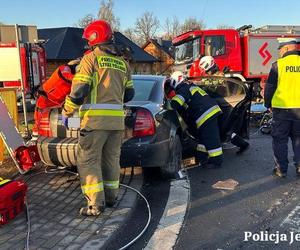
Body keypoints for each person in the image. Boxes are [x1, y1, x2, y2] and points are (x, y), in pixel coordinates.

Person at [62, 20, 135, 215]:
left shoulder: (90, 59)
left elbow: (79, 91)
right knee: (111, 160)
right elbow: (129, 95)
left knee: (88, 161)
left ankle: (94, 205)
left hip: (94, 123)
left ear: (94, 38)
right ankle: (111, 199)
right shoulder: (123, 63)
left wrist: (66, 111)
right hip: (116, 123)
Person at [165, 71, 223, 168]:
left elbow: (177, 103)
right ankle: (202, 158)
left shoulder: (182, 88)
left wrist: (169, 102)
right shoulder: (190, 86)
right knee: (203, 138)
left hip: (206, 114)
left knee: (211, 138)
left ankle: (217, 162)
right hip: (209, 111)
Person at [264, 37, 300, 178]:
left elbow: (270, 88)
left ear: (286, 48)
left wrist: (267, 104)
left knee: (280, 139)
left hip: (282, 110)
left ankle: (281, 169)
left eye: (280, 49)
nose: (279, 52)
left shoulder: (278, 65)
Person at [199, 56, 249, 154]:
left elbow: (213, 86)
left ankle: (241, 144)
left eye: (206, 70)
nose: (206, 72)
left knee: (222, 129)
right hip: (216, 104)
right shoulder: (211, 76)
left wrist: (202, 85)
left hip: (220, 105)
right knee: (224, 130)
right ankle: (242, 144)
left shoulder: (219, 75)